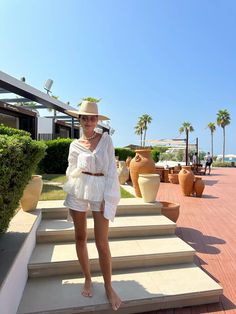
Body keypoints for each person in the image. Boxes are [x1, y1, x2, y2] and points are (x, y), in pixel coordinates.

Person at [63, 100, 122, 311]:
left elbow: (112, 171)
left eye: (92, 117)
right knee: (80, 238)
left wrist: (109, 195)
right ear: (79, 119)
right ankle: (87, 278)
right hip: (79, 189)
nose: (88, 121)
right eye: (84, 117)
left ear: (97, 120)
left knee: (102, 243)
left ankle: (108, 286)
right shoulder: (74, 145)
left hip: (101, 190)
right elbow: (71, 169)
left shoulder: (106, 141)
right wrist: (72, 188)